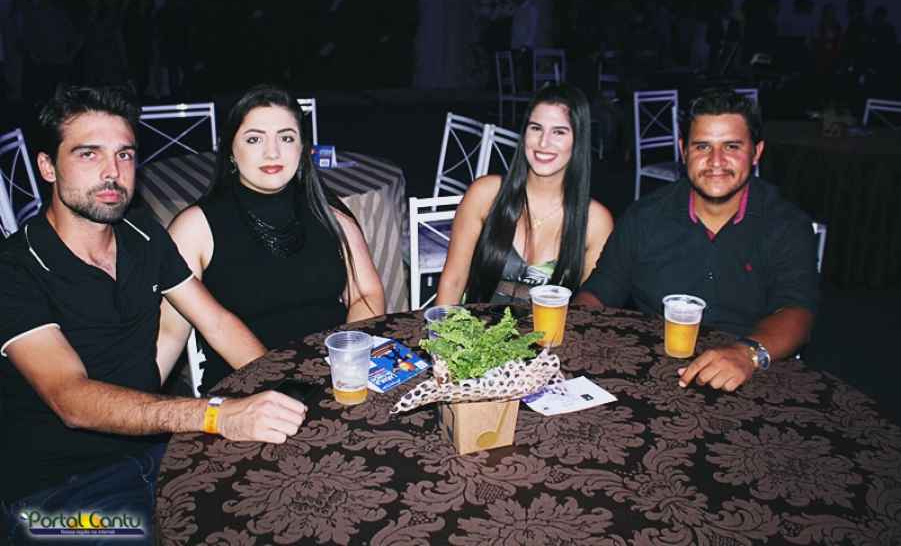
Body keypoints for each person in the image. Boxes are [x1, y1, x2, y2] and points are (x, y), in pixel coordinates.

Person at [0, 85, 307, 544]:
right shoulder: (15, 269)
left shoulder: (141, 233)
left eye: (124, 155)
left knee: (284, 512)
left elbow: (216, 322)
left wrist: (285, 392)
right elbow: (71, 399)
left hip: (157, 454)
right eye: (89, 154)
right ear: (48, 167)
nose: (112, 172)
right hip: (59, 492)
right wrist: (217, 416)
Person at [576, 90, 818, 392]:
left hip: (750, 375)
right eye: (702, 146)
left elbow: (797, 312)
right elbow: (599, 293)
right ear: (683, 151)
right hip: (652, 376)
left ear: (756, 152)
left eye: (731, 146)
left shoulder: (785, 224)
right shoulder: (645, 217)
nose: (716, 161)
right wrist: (572, 331)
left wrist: (747, 353)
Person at [159, 85, 385, 394]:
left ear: (303, 148)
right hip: (248, 389)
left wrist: (343, 361)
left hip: (333, 380)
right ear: (230, 150)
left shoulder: (331, 216)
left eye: (286, 138)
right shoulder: (195, 228)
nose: (273, 152)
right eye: (254, 139)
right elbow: (170, 332)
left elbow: (366, 296)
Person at [436, 83, 614, 305]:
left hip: (551, 328)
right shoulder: (485, 195)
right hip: (474, 326)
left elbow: (589, 310)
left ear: (578, 140)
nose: (543, 142)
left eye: (559, 132)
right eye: (536, 128)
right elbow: (453, 282)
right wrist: (441, 327)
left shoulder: (595, 221)